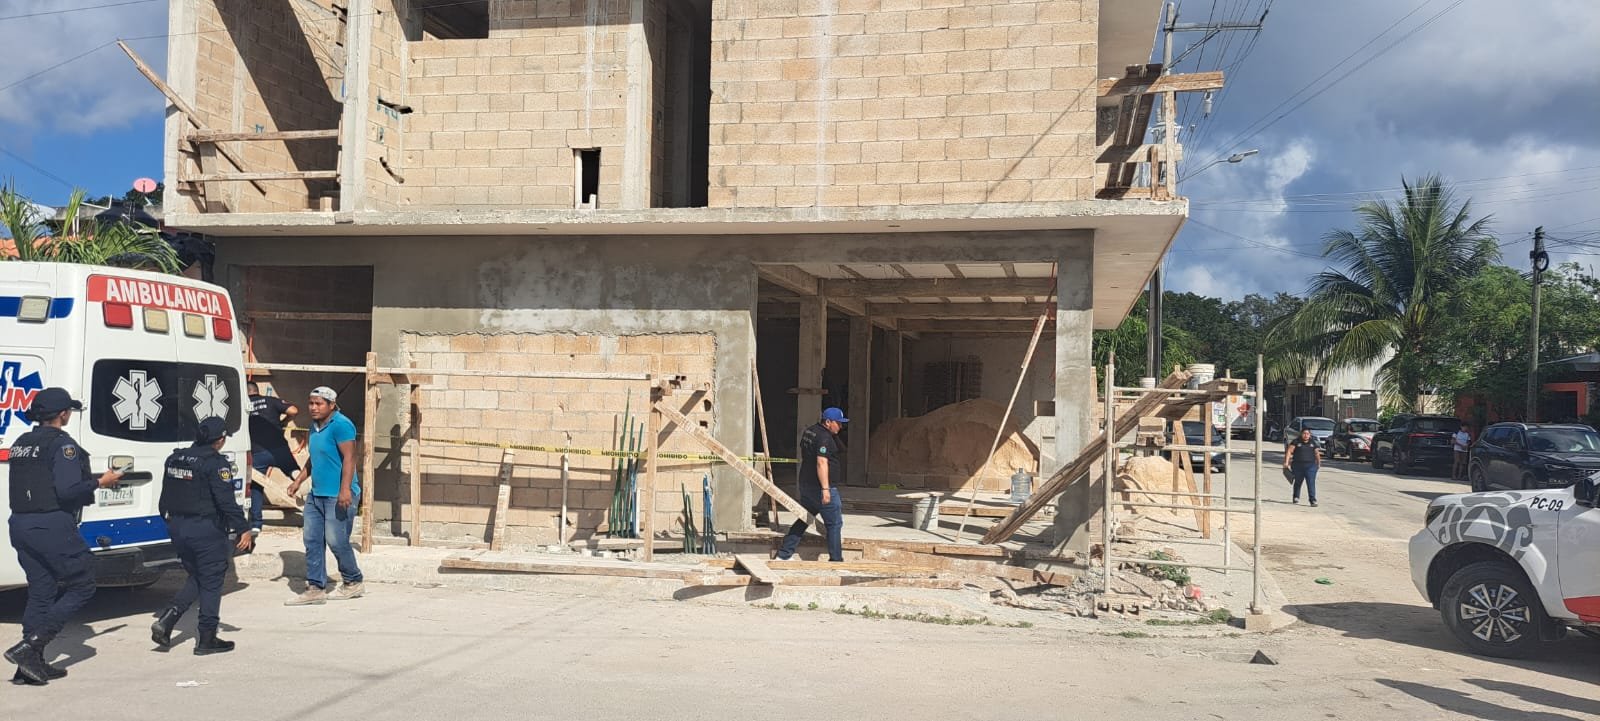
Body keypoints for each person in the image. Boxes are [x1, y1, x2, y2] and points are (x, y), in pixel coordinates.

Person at [5, 388, 123, 685]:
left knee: (41, 591)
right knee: (83, 584)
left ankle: (29, 666)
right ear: (62, 414)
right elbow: (68, 490)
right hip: (51, 524)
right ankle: (30, 647)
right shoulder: (62, 446)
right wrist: (101, 481)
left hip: (21, 524)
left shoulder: (22, 442)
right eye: (69, 410)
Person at [151, 417, 253, 655]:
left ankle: (167, 620)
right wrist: (243, 527)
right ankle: (207, 638)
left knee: (199, 575)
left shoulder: (175, 457)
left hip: (177, 526)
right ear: (220, 439)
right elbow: (225, 500)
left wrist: (169, 520)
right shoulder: (215, 464)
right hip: (204, 528)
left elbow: (165, 495)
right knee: (212, 580)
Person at [284, 386, 365, 605]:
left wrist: (345, 489)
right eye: (311, 403)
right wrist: (299, 480)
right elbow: (314, 457)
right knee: (311, 540)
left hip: (338, 495)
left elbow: (350, 458)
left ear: (331, 405)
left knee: (336, 541)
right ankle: (315, 588)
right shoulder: (314, 427)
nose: (313, 407)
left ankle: (353, 581)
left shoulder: (342, 425)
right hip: (316, 495)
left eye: (319, 403)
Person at [775, 407, 848, 562]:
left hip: (806, 485)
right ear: (828, 422)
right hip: (820, 488)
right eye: (838, 423)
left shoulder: (811, 431)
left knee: (804, 519)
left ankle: (784, 554)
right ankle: (836, 560)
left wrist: (834, 436)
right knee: (834, 524)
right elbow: (821, 462)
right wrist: (826, 489)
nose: (841, 427)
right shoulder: (824, 438)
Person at [246, 381, 300, 537]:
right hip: (279, 449)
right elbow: (294, 410)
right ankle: (304, 493)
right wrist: (284, 422)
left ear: (246, 392)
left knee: (256, 487)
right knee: (293, 470)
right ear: (257, 391)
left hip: (257, 452)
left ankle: (256, 524)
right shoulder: (270, 401)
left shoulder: (244, 404)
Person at [1283, 427, 1321, 507]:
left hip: (1310, 466)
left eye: (1307, 434)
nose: (1306, 435)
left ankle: (1312, 500)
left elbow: (1317, 453)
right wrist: (1286, 462)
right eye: (1304, 433)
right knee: (1298, 481)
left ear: (1310, 435)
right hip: (1298, 466)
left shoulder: (1313, 442)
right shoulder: (1296, 442)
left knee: (1311, 483)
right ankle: (1296, 496)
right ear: (1301, 434)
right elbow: (1289, 451)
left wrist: (1318, 463)